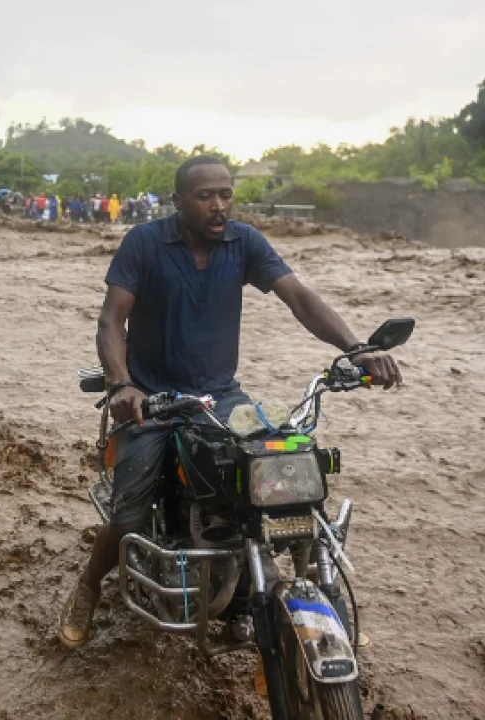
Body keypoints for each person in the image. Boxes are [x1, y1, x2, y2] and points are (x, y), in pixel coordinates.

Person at [57, 156, 402, 649]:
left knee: (281, 478)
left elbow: (299, 298)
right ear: (178, 202)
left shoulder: (244, 242)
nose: (218, 206)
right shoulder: (145, 243)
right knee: (129, 511)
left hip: (220, 396)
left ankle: (319, 593)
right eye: (205, 196)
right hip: (151, 399)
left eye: (225, 194)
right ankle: (88, 589)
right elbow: (111, 320)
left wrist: (356, 348)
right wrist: (120, 384)